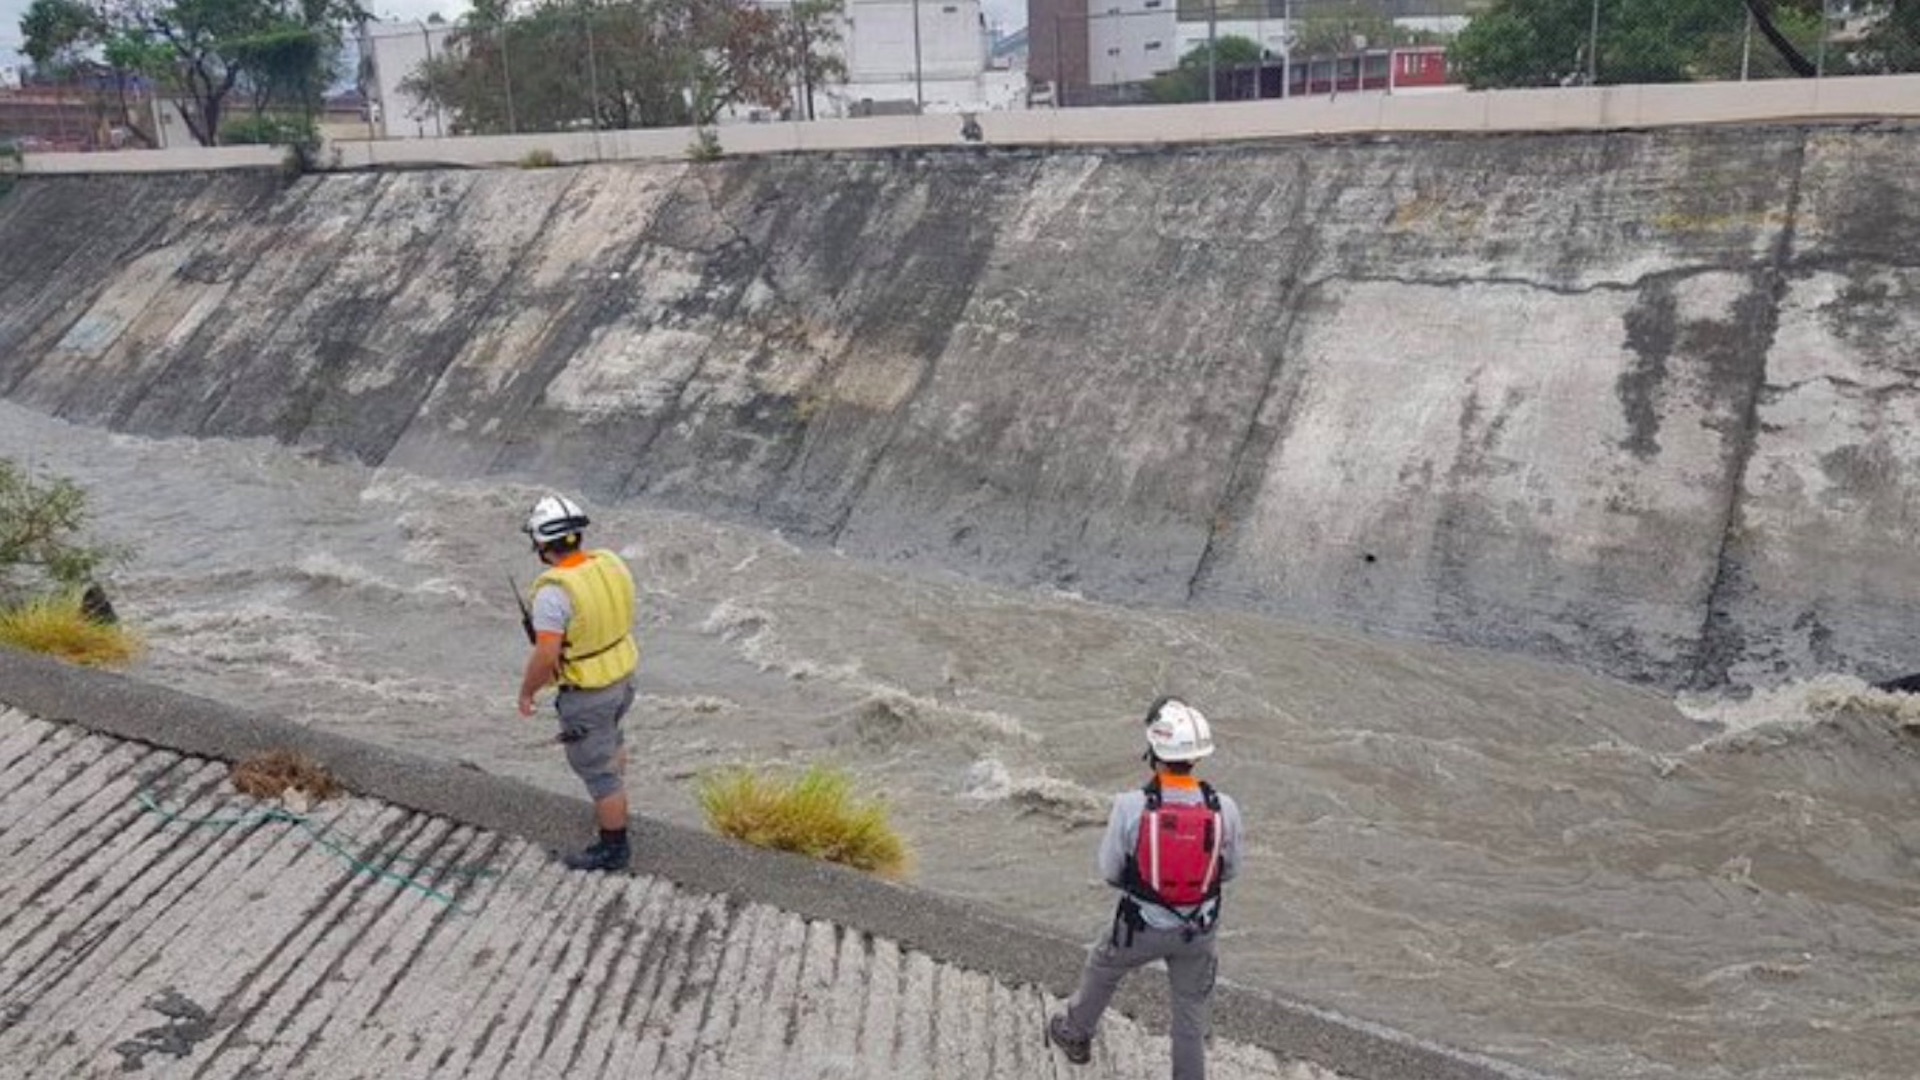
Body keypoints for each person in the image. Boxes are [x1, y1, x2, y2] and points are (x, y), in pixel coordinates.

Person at [1047, 697, 1244, 1080]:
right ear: (1197, 756)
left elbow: (1110, 871)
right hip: (1198, 931)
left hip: (1138, 927)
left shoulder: (1130, 806)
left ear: (1154, 750)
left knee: (1103, 966)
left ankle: (1075, 1033)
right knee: (1190, 1012)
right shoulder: (1226, 808)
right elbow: (1231, 870)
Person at [516, 493, 641, 872]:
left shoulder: (553, 593)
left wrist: (527, 691)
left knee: (599, 773)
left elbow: (546, 656)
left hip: (588, 693)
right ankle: (614, 805)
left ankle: (613, 847)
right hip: (623, 677)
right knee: (611, 741)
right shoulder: (610, 563)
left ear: (542, 544)